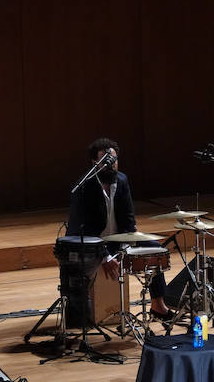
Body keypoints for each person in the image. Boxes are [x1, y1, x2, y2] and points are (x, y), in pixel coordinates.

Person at [67, 137, 172, 320]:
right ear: (95, 163)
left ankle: (158, 305)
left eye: (114, 160)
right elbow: (87, 231)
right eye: (106, 161)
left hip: (118, 240)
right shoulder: (85, 187)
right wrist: (105, 256)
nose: (111, 165)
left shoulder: (122, 180)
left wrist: (125, 248)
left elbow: (129, 220)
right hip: (92, 245)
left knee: (155, 248)